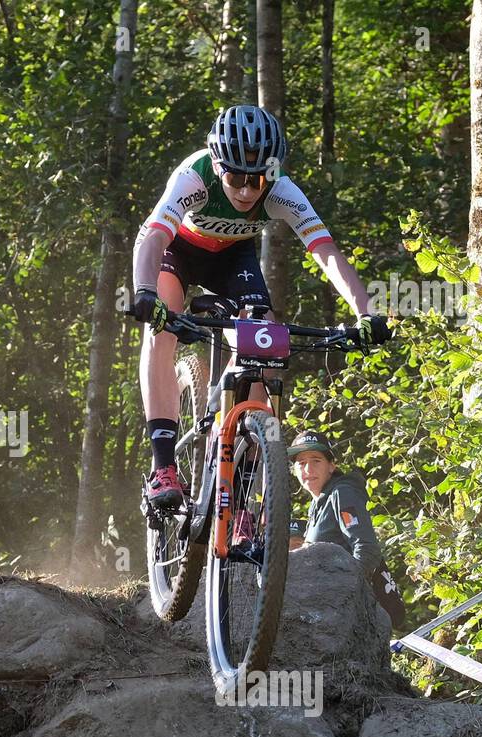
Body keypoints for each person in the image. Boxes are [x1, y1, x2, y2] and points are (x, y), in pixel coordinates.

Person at [130, 104, 392, 509]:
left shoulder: (282, 189)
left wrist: (366, 313)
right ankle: (163, 465)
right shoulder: (193, 177)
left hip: (232, 258)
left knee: (265, 346)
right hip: (174, 251)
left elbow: (325, 252)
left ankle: (241, 496)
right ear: (219, 167)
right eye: (235, 177)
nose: (247, 190)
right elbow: (153, 239)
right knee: (162, 326)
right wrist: (145, 292)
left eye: (258, 180)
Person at [288, 429, 382, 581]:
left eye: (316, 460)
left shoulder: (343, 494)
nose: (308, 469)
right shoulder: (317, 504)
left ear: (331, 466)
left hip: (347, 601)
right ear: (294, 470)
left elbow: (366, 550)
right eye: (302, 463)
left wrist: (345, 591)